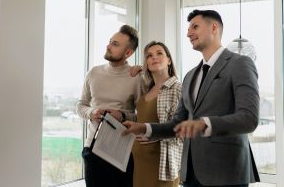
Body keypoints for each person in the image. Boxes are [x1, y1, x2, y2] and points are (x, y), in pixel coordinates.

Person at [123, 10, 260, 187]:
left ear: (214, 27)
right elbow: (177, 124)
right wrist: (143, 127)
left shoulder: (240, 64)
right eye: (188, 29)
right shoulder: (190, 76)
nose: (188, 33)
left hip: (226, 172)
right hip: (191, 174)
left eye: (195, 26)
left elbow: (249, 118)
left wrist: (204, 124)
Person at [76, 24, 142, 187]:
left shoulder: (136, 77)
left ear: (128, 53)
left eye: (115, 44)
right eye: (110, 41)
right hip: (92, 148)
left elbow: (142, 117)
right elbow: (81, 105)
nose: (108, 46)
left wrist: (123, 116)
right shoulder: (94, 72)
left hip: (121, 151)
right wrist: (92, 112)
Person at [132, 41, 183, 187]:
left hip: (163, 165)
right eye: (149, 56)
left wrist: (158, 135)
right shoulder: (146, 89)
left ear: (169, 60)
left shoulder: (178, 88)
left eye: (159, 53)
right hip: (139, 164)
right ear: (146, 64)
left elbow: (185, 129)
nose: (154, 57)